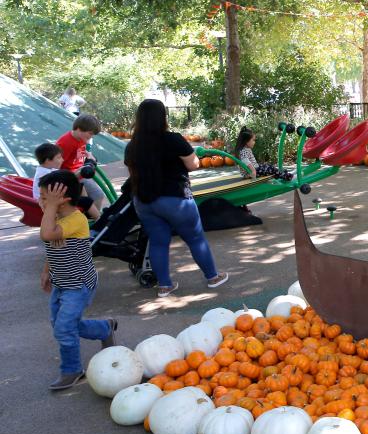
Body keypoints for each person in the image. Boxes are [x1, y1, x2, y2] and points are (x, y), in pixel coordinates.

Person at [124, 99, 228, 298]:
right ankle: (213, 277)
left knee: (157, 242)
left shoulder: (133, 146)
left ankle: (164, 285)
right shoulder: (173, 139)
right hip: (175, 200)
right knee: (195, 238)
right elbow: (194, 165)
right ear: (163, 117)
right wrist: (193, 155)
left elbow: (133, 172)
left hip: (144, 201)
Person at [38, 170, 117, 390]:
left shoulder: (76, 219)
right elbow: (51, 247)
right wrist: (46, 271)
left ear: (62, 199)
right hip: (62, 282)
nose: (40, 201)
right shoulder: (56, 218)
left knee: (64, 328)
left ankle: (72, 370)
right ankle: (104, 329)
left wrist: (50, 207)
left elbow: (47, 235)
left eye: (44, 197)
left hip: (79, 284)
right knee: (61, 324)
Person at [33, 143, 100, 220]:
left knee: (80, 186)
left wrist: (82, 168)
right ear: (48, 160)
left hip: (53, 197)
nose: (62, 160)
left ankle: (84, 213)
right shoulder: (45, 174)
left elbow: (67, 176)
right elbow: (69, 179)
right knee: (87, 201)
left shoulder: (47, 169)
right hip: (50, 202)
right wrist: (80, 172)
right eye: (58, 158)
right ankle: (99, 220)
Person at [56, 114, 107, 210]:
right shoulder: (66, 142)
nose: (91, 137)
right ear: (79, 129)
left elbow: (82, 154)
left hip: (80, 172)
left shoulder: (82, 138)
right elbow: (55, 166)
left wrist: (89, 157)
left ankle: (90, 218)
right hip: (71, 177)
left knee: (98, 196)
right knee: (95, 196)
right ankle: (90, 219)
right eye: (90, 133)